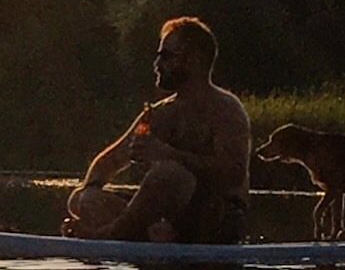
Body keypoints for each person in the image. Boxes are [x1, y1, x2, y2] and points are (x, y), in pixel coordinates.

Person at [64, 16, 250, 244]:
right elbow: (110, 161)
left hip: (215, 219)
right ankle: (147, 236)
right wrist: (90, 188)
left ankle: (105, 236)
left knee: (171, 174)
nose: (157, 65)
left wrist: (168, 154)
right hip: (169, 220)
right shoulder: (161, 113)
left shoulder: (225, 109)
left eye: (166, 57)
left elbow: (234, 174)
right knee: (83, 199)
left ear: (193, 61)